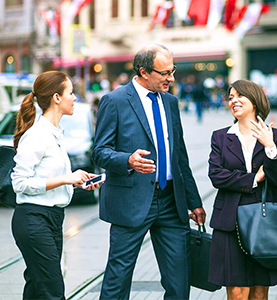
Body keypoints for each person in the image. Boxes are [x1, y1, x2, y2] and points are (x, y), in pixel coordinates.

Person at [91, 44, 206, 300]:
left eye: (172, 71)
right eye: (164, 73)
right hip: (130, 202)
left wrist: (194, 201)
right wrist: (127, 160)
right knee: (118, 279)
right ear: (143, 71)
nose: (171, 78)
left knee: (179, 281)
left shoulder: (171, 102)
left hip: (170, 202)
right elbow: (99, 152)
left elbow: (180, 158)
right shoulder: (115, 100)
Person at [11, 71, 100, 299]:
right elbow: (19, 183)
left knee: (36, 287)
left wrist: (77, 182)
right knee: (52, 290)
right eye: (71, 93)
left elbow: (51, 178)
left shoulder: (56, 135)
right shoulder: (36, 136)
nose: (75, 98)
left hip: (52, 218)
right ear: (56, 98)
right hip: (33, 220)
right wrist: (65, 179)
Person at [208, 79, 277, 300]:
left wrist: (270, 147)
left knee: (258, 292)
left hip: (264, 220)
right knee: (236, 292)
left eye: (239, 96)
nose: (233, 101)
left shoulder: (276, 135)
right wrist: (253, 179)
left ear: (254, 100)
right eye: (230, 97)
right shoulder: (220, 136)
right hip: (230, 221)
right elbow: (216, 176)